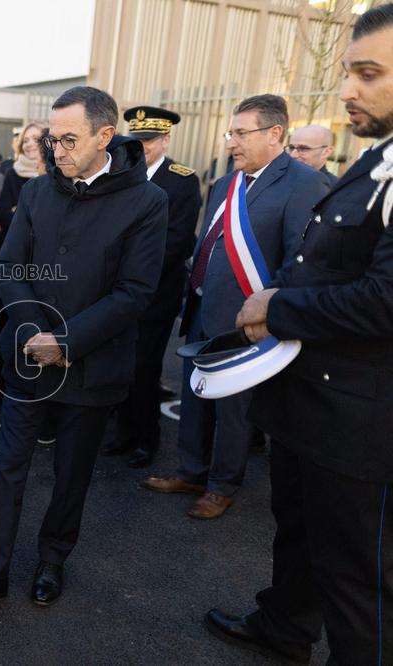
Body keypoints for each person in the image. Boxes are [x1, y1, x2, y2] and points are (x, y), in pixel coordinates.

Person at [205, 6, 393, 663]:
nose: (347, 91)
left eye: (368, 74)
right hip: (313, 406)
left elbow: (386, 301)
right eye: (347, 73)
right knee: (301, 537)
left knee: (357, 582)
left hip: (360, 422)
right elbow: (319, 258)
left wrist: (276, 308)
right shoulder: (376, 161)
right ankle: (284, 626)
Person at [0, 86, 168, 609]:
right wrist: (31, 332)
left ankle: (52, 561)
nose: (56, 150)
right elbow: (9, 267)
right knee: (8, 467)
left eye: (69, 140)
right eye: (52, 139)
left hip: (92, 367)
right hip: (27, 360)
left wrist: (66, 342)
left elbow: (135, 291)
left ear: (105, 136)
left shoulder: (147, 201)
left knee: (72, 475)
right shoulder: (39, 191)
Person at [142, 94, 329, 519]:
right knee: (196, 396)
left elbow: (301, 260)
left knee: (235, 410)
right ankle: (191, 471)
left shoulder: (304, 183)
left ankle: (222, 485)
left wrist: (269, 311)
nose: (231, 143)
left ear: (275, 133)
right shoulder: (227, 182)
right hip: (202, 308)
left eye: (241, 133)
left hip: (248, 320)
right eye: (232, 133)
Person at [104, 106, 201, 468]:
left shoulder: (182, 180)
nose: (142, 146)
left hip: (154, 294)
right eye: (137, 139)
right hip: (116, 292)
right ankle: (123, 433)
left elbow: (176, 241)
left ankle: (147, 439)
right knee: (118, 365)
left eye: (149, 140)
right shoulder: (119, 174)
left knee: (144, 371)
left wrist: (129, 273)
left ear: (165, 140)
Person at [0, 122, 46, 238]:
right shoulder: (12, 173)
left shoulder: (55, 172)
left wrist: (17, 210)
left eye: (36, 139)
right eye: (25, 141)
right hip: (18, 242)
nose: (29, 144)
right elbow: (3, 214)